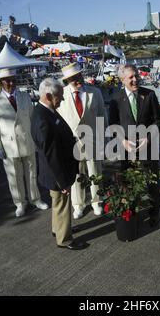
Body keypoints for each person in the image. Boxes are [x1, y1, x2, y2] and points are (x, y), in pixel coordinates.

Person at [31, 78, 88, 251]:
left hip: (56, 170)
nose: (62, 100)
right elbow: (51, 154)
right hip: (57, 172)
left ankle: (59, 229)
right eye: (59, 97)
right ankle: (65, 239)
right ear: (48, 96)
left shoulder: (43, 111)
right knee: (62, 204)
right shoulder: (43, 118)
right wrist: (62, 181)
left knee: (58, 204)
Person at [0, 68, 49, 218]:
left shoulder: (24, 96)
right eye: (7, 80)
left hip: (27, 141)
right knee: (14, 177)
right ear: (1, 82)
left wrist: (37, 138)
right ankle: (20, 203)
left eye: (13, 80)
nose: (11, 83)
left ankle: (36, 199)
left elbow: (33, 119)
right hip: (9, 145)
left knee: (32, 173)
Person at [109, 64, 160, 227]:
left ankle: (154, 213)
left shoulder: (150, 95)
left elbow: (158, 121)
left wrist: (148, 138)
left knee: (151, 183)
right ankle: (131, 212)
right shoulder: (115, 100)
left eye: (136, 75)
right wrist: (122, 141)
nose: (135, 79)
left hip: (148, 147)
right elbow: (113, 125)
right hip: (126, 150)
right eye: (131, 77)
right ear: (122, 79)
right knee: (127, 183)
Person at [57, 63, 106, 220]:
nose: (77, 80)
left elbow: (102, 117)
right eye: (73, 78)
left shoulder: (95, 92)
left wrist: (104, 139)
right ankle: (78, 205)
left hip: (93, 140)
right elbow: (57, 120)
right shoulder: (61, 94)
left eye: (78, 76)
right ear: (67, 80)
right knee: (76, 175)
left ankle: (97, 201)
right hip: (72, 143)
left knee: (95, 172)